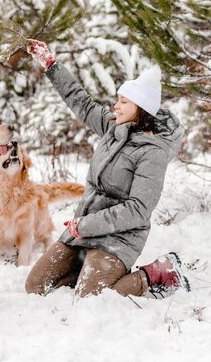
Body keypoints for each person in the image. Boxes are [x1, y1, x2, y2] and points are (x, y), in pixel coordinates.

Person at [24, 39, 190, 299]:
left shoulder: (153, 153)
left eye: (123, 101)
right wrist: (51, 65)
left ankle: (156, 274)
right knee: (36, 286)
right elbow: (82, 103)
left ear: (140, 109)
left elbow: (138, 210)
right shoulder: (115, 127)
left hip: (119, 238)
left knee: (92, 299)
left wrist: (86, 225)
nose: (116, 106)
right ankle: (88, 269)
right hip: (83, 232)